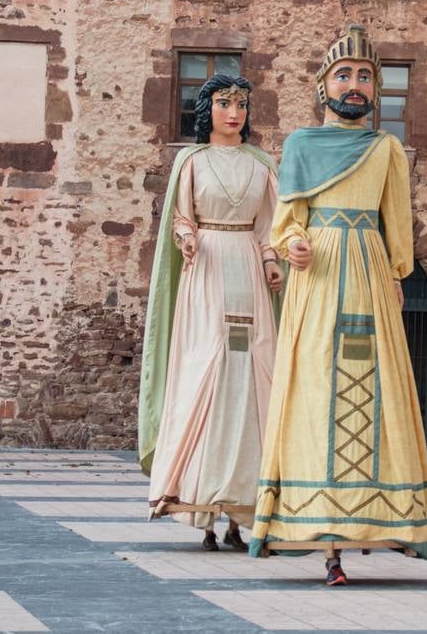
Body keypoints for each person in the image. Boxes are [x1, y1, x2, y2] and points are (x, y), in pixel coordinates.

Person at [250, 24, 427, 584]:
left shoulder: (387, 149)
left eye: (364, 77)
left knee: (376, 388)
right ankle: (319, 526)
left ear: (374, 91)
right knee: (313, 389)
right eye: (344, 75)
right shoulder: (302, 145)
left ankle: (377, 521)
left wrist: (398, 273)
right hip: (319, 274)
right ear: (323, 85)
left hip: (370, 271)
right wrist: (292, 245)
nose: (354, 85)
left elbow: (396, 223)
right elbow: (286, 221)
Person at [138, 73, 283, 551]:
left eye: (240, 103)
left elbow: (270, 225)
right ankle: (201, 510)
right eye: (223, 103)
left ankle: (244, 515)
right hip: (207, 271)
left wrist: (270, 261)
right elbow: (182, 215)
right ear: (208, 109)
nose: (233, 112)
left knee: (252, 381)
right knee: (206, 371)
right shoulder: (192, 161)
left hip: (247, 267)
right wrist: (185, 236)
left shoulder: (262, 164)